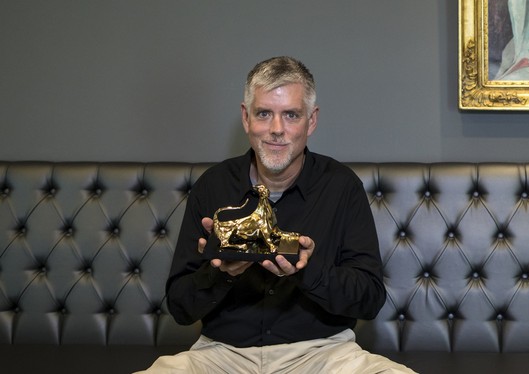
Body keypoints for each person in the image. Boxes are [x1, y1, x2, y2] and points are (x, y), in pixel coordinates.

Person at [137, 56, 415, 374]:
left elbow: (369, 300)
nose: (276, 129)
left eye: (291, 115)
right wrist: (222, 273)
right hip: (222, 354)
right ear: (246, 118)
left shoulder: (341, 186)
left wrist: (308, 271)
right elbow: (180, 308)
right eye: (264, 113)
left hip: (323, 354)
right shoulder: (212, 186)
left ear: (311, 121)